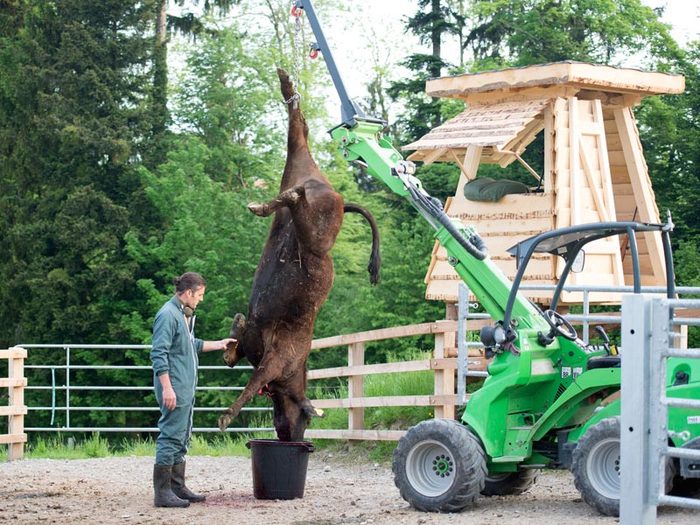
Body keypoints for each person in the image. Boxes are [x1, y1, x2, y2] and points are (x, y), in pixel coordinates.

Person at [150, 272, 235, 508]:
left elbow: (191, 345)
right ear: (188, 293)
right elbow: (158, 354)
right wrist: (167, 388)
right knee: (171, 434)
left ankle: (177, 487)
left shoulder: (182, 315)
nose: (201, 300)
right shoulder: (168, 315)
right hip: (174, 386)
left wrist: (219, 344)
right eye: (199, 295)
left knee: (182, 434)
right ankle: (163, 492)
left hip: (184, 386)